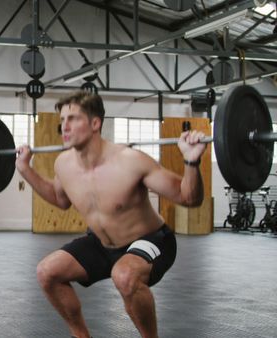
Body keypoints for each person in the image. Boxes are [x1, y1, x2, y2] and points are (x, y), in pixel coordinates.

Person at [16, 91, 206, 338]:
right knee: (47, 272)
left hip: (151, 239)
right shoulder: (63, 164)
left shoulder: (130, 161)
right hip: (102, 244)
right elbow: (60, 200)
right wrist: (25, 169)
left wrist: (191, 161)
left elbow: (189, 198)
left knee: (124, 275)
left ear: (95, 123)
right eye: (62, 120)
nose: (64, 126)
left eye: (73, 119)